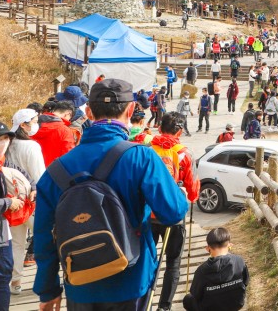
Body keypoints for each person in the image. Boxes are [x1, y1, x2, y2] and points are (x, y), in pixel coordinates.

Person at [33, 78, 189, 310]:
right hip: (131, 277)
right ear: (130, 110)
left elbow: (43, 236)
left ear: (88, 112)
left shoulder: (56, 171)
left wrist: (48, 290)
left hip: (80, 281)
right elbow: (173, 212)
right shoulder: (141, 157)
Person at [149, 112, 200, 311]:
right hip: (173, 215)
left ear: (159, 128)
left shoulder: (147, 150)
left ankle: (145, 299)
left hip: (149, 213)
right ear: (180, 131)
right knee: (173, 262)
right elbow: (193, 189)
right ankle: (165, 306)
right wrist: (193, 196)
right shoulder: (185, 154)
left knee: (149, 258)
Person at [7, 109, 44, 294]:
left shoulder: (7, 143)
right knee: (45, 240)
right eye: (35, 121)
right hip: (32, 201)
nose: (37, 124)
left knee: (17, 243)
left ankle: (15, 282)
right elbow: (40, 176)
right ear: (24, 124)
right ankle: (46, 281)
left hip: (13, 201)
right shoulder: (32, 147)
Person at [182, 227, 249, 311]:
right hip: (236, 304)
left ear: (208, 248)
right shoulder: (239, 260)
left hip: (209, 308)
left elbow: (196, 295)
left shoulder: (201, 271)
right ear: (229, 245)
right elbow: (245, 282)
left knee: (187, 299)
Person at [0, 121, 24, 307]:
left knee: (2, 277)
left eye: (6, 138)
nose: (3, 143)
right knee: (0, 280)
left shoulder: (1, 162)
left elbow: (21, 173)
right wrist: (8, 202)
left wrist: (33, 188)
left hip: (2, 231)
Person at [32, 100, 77, 167]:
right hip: (52, 173)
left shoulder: (32, 124)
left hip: (28, 171)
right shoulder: (65, 131)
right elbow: (68, 157)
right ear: (68, 114)